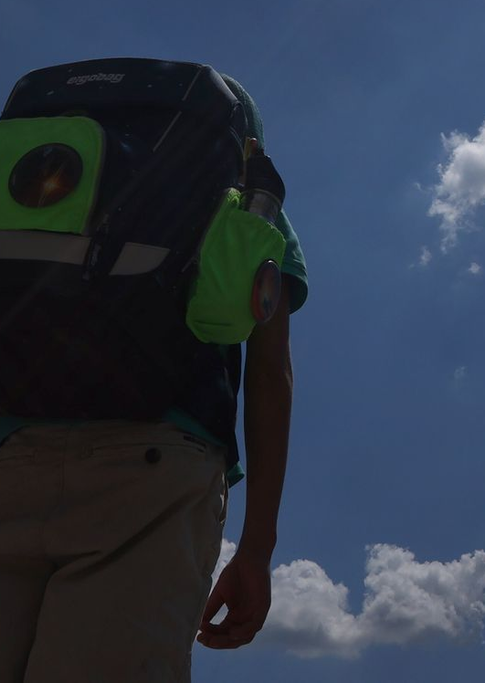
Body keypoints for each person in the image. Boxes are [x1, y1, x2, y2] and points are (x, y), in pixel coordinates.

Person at [0, 70, 306, 682]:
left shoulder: (27, 174)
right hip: (154, 468)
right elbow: (271, 372)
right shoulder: (243, 197)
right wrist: (256, 549)